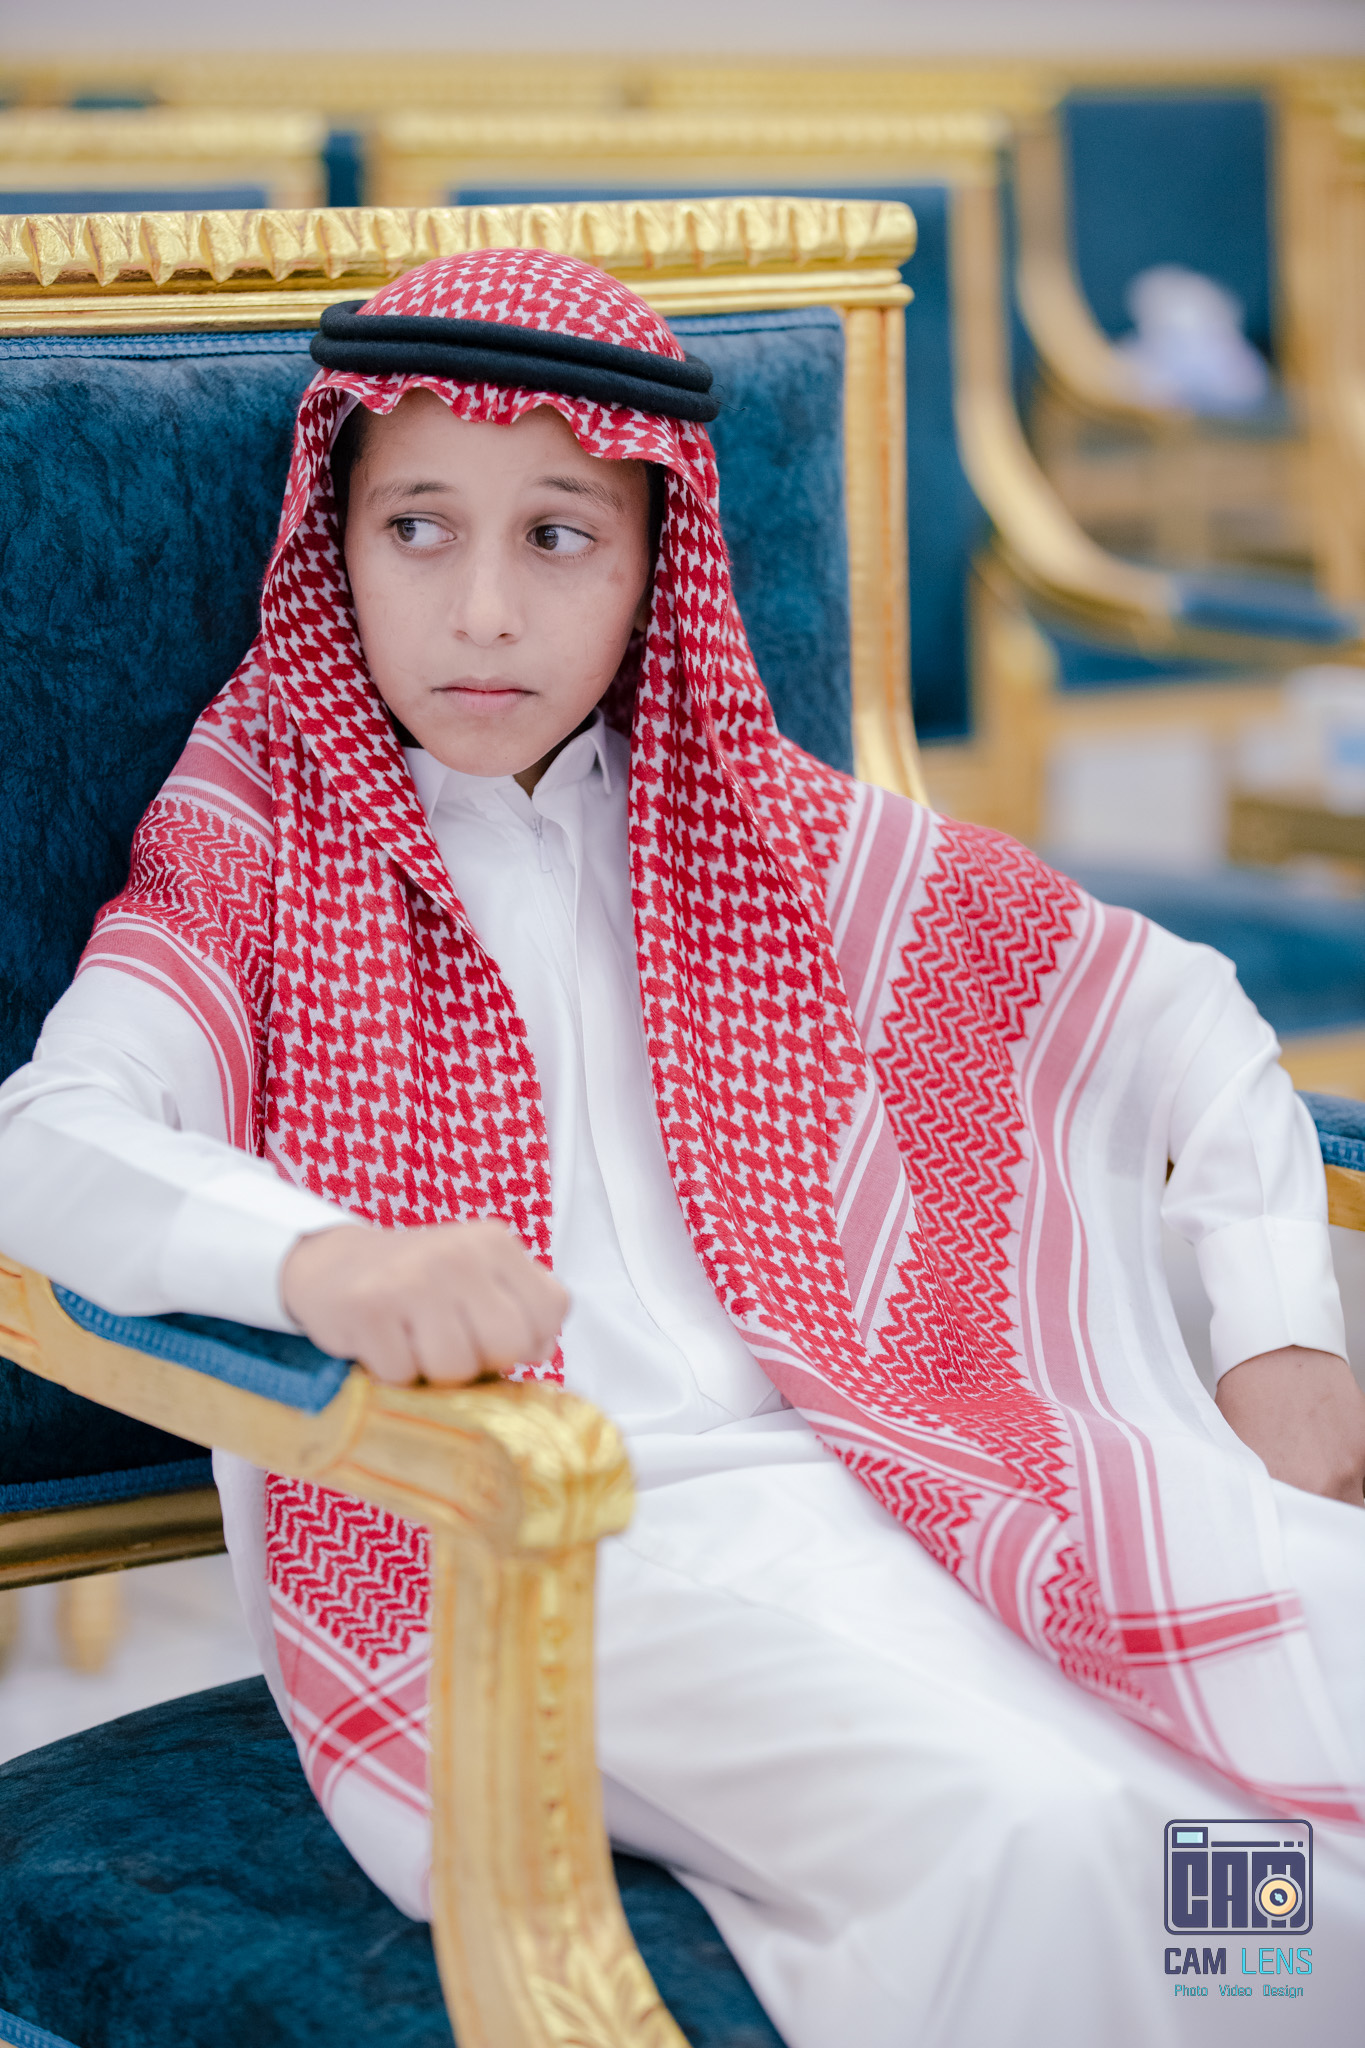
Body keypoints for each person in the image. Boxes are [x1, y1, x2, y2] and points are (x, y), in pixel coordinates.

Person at [0, 247, 1363, 2048]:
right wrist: (322, 1260)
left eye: (558, 536)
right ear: (341, 542)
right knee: (1047, 1838)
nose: (483, 610)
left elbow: (1179, 1018)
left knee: (1291, 1770)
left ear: (657, 564)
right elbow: (49, 1142)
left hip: (893, 1469)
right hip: (522, 1545)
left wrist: (1278, 1335)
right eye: (418, 529)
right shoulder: (260, 831)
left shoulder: (749, 827)